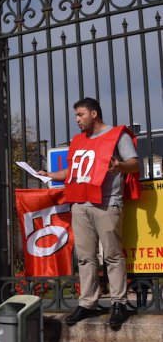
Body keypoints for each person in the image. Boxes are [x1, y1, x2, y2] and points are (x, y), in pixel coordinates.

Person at [38, 97, 139, 329]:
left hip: (107, 203)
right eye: (76, 115)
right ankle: (88, 304)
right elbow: (73, 170)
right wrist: (51, 175)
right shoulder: (79, 141)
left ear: (94, 114)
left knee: (112, 255)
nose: (76, 120)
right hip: (80, 204)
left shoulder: (117, 135)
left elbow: (134, 163)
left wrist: (119, 167)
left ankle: (118, 304)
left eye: (80, 115)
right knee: (85, 257)